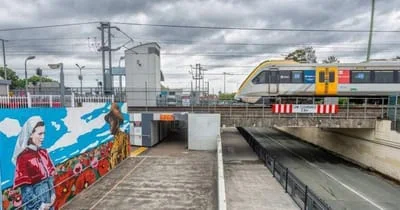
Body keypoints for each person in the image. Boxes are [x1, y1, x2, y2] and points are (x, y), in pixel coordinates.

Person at [12, 116, 56, 210]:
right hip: (37, 203)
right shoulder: (23, 158)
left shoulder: (43, 153)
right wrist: (40, 205)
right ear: (30, 134)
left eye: (44, 133)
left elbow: (49, 178)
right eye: (40, 134)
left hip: (49, 201)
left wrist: (53, 194)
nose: (43, 137)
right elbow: (26, 190)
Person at [104, 103, 129, 168]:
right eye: (116, 109)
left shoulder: (122, 136)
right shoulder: (111, 117)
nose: (117, 111)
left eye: (118, 109)